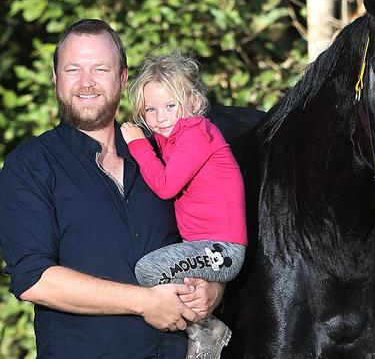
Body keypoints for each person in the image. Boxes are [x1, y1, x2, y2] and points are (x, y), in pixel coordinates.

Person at [0, 19, 224, 359]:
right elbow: (35, 279)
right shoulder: (30, 165)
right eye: (73, 69)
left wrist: (214, 286)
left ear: (122, 78)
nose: (86, 83)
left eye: (100, 69)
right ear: (55, 78)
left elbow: (212, 232)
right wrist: (144, 303)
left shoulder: (166, 156)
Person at [120, 50, 247, 359]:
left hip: (223, 248)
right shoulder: (171, 138)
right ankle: (203, 324)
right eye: (150, 109)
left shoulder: (196, 133)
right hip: (203, 248)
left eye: (169, 106)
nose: (159, 117)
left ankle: (204, 326)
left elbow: (165, 186)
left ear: (192, 104)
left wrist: (136, 143)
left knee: (149, 271)